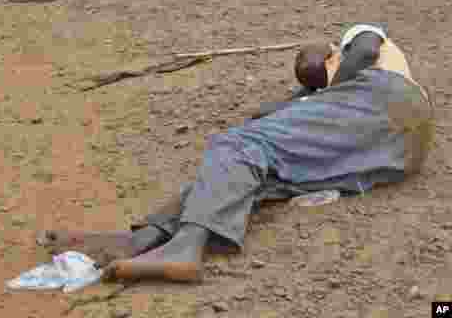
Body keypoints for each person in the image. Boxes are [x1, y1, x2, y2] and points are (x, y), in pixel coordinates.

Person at [37, 25, 434, 284]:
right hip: (398, 152)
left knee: (239, 145)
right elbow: (273, 114)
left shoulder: (357, 43)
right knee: (259, 171)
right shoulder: (325, 101)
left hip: (385, 102)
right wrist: (299, 100)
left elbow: (364, 51)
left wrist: (318, 93)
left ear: (334, 53)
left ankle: (184, 249)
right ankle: (147, 236)